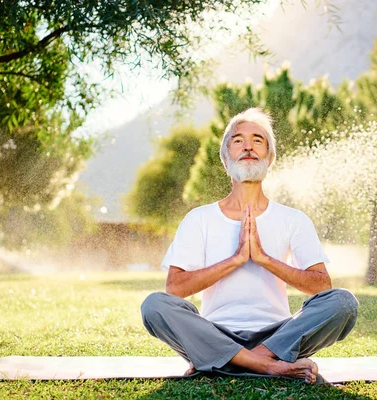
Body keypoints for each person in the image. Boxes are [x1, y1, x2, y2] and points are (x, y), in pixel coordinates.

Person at [141, 108, 358, 384]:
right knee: (154, 305)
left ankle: (231, 361)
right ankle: (267, 366)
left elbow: (321, 287)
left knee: (344, 302)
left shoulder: (293, 219)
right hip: (214, 333)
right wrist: (236, 259)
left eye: (258, 140)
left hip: (279, 336)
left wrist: (264, 258)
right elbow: (175, 288)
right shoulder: (199, 218)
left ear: (270, 158)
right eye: (238, 140)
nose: (248, 146)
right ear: (224, 157)